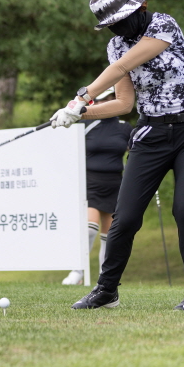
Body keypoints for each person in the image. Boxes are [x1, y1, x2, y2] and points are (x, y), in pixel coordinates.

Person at [51, 0, 184, 311]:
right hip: (150, 135)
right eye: (112, 25)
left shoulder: (163, 24)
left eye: (121, 21)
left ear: (140, 8)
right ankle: (106, 291)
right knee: (124, 218)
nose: (119, 29)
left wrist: (83, 96)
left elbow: (122, 67)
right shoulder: (116, 45)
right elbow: (124, 103)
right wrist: (78, 113)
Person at [60, 86, 134, 286]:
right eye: (101, 100)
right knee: (90, 228)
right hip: (90, 181)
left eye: (109, 99)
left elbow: (135, 153)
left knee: (109, 236)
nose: (104, 103)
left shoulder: (124, 127)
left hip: (115, 184)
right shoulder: (86, 124)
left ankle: (104, 278)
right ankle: (77, 271)